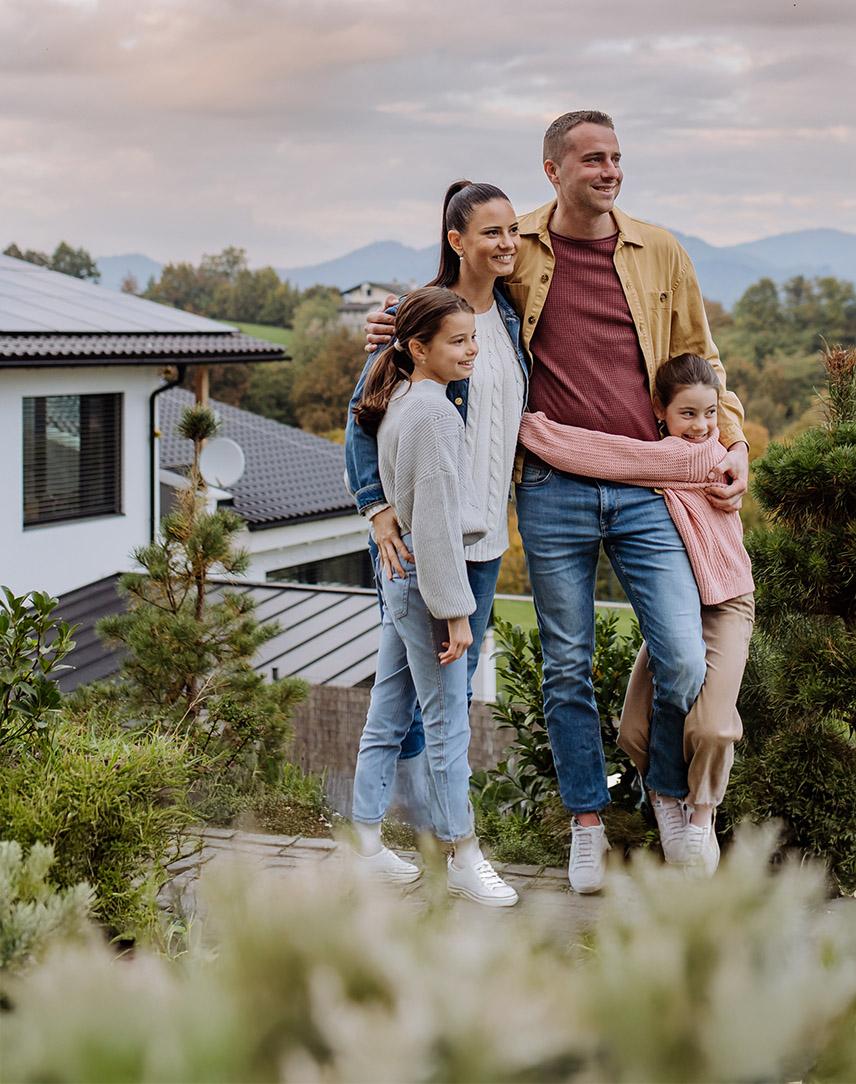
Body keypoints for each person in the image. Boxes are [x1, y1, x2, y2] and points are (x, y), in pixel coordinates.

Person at [365, 110, 749, 894]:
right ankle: (586, 823)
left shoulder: (661, 250)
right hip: (553, 487)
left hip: (648, 485)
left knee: (680, 655)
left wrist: (731, 439)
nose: (608, 170)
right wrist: (391, 326)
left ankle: (669, 795)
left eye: (616, 157)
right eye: (591, 159)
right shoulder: (520, 248)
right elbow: (449, 305)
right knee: (565, 665)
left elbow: (701, 357)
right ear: (554, 170)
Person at [519, 353, 755, 876]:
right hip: (693, 597)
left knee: (704, 708)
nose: (701, 427)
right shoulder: (670, 452)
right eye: (688, 414)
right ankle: (657, 806)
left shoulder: (697, 457)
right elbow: (621, 456)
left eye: (710, 414)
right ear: (660, 412)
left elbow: (606, 455)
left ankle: (690, 808)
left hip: (725, 598)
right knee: (630, 726)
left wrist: (528, 428)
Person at [345, 181, 528, 799]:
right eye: (491, 232)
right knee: (424, 693)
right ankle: (422, 826)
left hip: (481, 533)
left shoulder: (508, 317)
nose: (507, 244)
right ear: (457, 240)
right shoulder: (419, 318)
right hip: (420, 537)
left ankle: (412, 823)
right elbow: (361, 414)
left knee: (449, 681)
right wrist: (376, 509)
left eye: (513, 231)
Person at [349, 285, 519, 908]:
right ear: (418, 349)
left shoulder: (402, 400)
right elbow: (440, 527)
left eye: (474, 338)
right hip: (427, 587)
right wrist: (457, 615)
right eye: (458, 341)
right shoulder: (436, 416)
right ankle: (464, 856)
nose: (472, 350)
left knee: (388, 713)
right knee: (447, 726)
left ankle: (364, 845)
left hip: (402, 582)